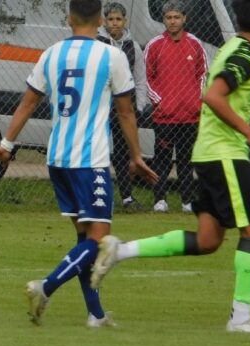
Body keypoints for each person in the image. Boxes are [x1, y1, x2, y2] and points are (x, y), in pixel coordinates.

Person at [91, 0, 250, 333]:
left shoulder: (232, 48)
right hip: (225, 155)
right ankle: (241, 317)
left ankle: (120, 251)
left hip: (208, 154)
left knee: (208, 240)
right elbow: (214, 97)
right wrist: (249, 131)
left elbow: (219, 94)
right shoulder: (244, 55)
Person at [0, 0, 157, 327]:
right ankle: (44, 288)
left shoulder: (51, 54)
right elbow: (126, 112)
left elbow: (28, 102)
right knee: (100, 241)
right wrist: (135, 155)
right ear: (102, 20)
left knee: (85, 239)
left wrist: (6, 145)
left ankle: (96, 314)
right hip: (90, 160)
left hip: (58, 158)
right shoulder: (112, 56)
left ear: (69, 18)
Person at [144, 0, 207, 213]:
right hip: (164, 116)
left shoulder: (195, 44)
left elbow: (203, 75)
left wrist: (195, 101)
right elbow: (147, 77)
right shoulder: (155, 45)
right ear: (163, 20)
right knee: (161, 160)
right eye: (169, 17)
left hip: (190, 115)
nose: (173, 21)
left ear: (184, 19)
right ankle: (159, 199)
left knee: (186, 160)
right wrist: (160, 101)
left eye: (176, 17)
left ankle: (187, 201)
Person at [97, 2, 149, 211]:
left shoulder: (133, 46)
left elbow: (140, 79)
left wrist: (140, 106)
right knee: (98, 150)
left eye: (118, 19)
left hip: (125, 108)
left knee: (123, 152)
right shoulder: (97, 43)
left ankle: (126, 197)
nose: (115, 23)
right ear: (104, 21)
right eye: (111, 19)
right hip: (100, 106)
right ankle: (99, 196)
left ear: (124, 21)